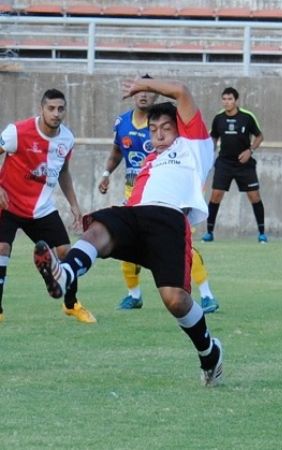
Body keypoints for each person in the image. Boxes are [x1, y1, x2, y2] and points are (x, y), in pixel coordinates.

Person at [33, 78, 224, 386]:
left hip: (169, 221)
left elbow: (182, 93)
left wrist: (145, 85)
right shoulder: (150, 161)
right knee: (98, 230)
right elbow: (135, 197)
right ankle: (65, 275)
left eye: (166, 128)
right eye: (153, 130)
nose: (159, 135)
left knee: (175, 300)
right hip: (135, 214)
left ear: (181, 128)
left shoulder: (193, 146)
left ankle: (210, 354)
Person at [99, 74, 220, 313]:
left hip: (171, 196)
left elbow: (182, 95)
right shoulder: (122, 122)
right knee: (124, 244)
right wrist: (106, 173)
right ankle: (133, 294)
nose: (143, 94)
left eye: (147, 90)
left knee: (181, 248)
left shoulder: (175, 132)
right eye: (139, 90)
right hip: (136, 189)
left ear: (155, 94)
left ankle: (205, 294)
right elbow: (116, 151)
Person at [0, 88, 96, 324]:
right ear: (41, 109)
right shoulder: (17, 132)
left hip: (41, 208)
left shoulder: (67, 139)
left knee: (66, 252)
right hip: (8, 204)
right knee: (2, 251)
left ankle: (71, 305)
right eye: (51, 108)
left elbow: (64, 172)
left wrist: (74, 204)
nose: (56, 113)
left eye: (60, 109)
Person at [202, 87, 267, 244]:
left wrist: (250, 151)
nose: (227, 102)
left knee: (254, 196)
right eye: (224, 99)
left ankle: (262, 233)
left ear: (236, 101)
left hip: (244, 164)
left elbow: (259, 136)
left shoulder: (247, 117)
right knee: (216, 195)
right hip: (224, 163)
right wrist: (208, 155)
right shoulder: (218, 118)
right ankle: (209, 232)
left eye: (230, 99)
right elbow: (213, 138)